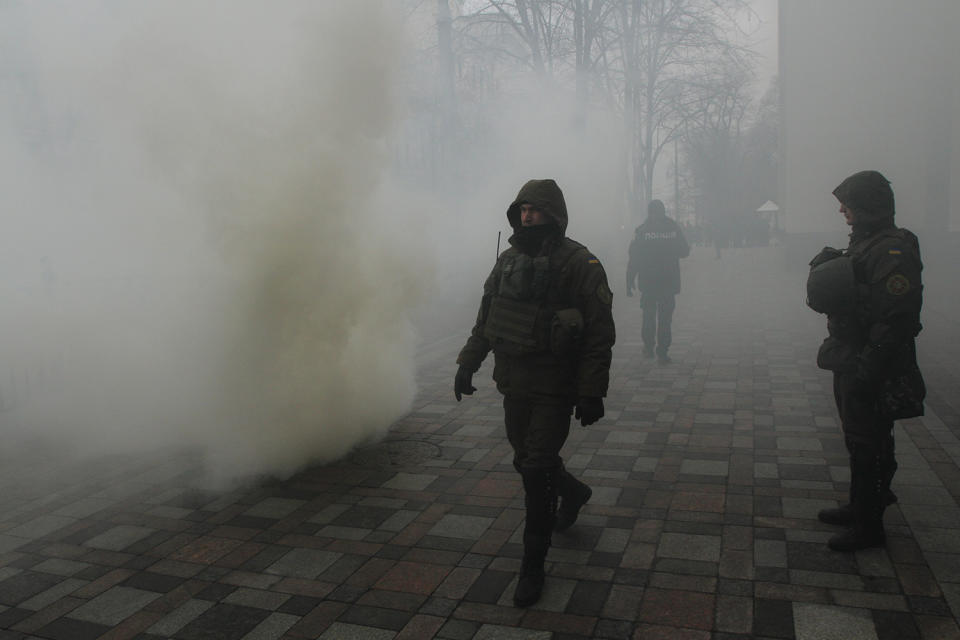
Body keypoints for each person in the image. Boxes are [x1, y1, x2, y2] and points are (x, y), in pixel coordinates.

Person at [454, 179, 615, 607]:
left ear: (554, 213)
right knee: (525, 459)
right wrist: (467, 362)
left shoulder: (581, 263)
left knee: (537, 469)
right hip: (514, 382)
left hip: (556, 387)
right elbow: (487, 315)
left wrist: (591, 391)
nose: (527, 216)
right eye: (522, 209)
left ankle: (532, 564)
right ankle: (574, 492)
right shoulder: (508, 261)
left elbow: (599, 334)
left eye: (535, 209)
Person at [807, 170, 924, 552]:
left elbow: (896, 317)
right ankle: (861, 505)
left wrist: (869, 366)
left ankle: (870, 525)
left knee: (870, 441)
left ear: (868, 205)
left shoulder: (893, 249)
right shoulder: (867, 243)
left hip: (874, 361)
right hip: (853, 355)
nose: (842, 209)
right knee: (859, 438)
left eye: (849, 203)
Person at [626, 199, 690, 363]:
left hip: (648, 282)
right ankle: (663, 351)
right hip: (669, 282)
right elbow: (684, 251)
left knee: (648, 315)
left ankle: (648, 348)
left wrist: (629, 279)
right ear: (663, 211)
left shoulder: (642, 230)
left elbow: (634, 258)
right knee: (665, 318)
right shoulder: (673, 228)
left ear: (649, 212)